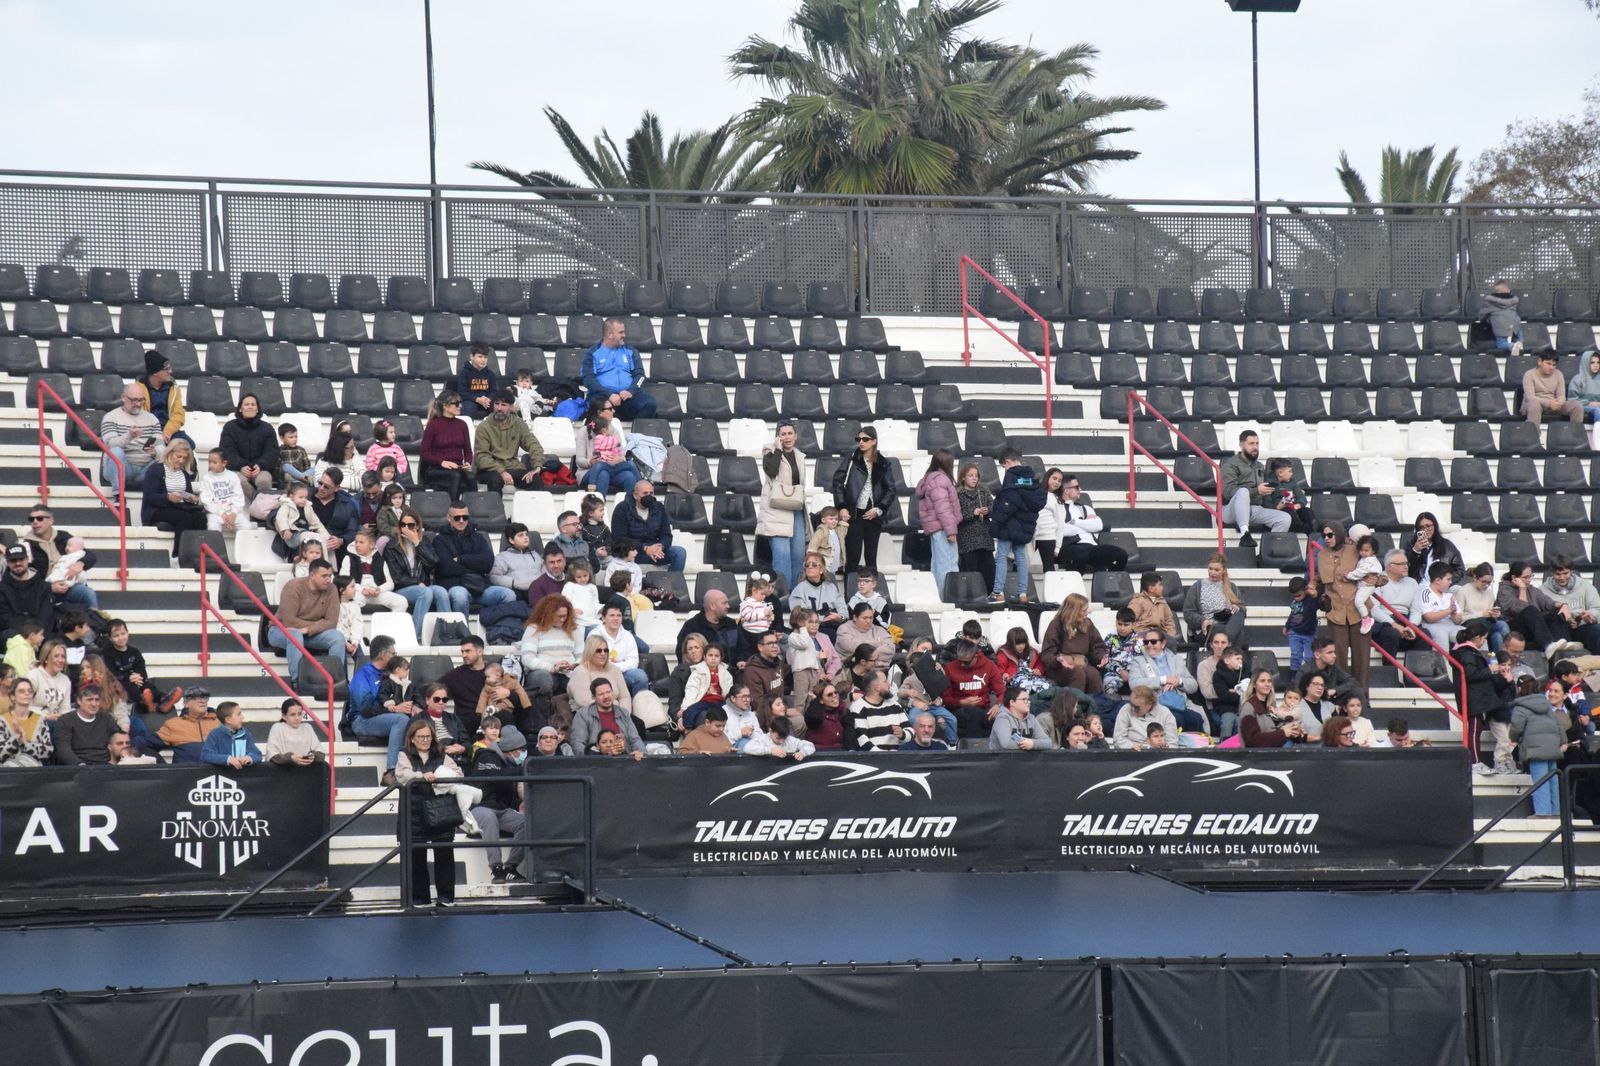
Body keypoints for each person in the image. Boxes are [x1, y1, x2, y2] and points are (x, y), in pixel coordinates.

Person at [396, 717, 459, 907]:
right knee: (416, 857)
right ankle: (420, 897)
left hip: (441, 811)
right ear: (412, 738)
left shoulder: (443, 755)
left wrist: (439, 777)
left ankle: (446, 896)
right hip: (414, 812)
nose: (425, 740)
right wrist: (421, 777)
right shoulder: (404, 754)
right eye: (421, 736)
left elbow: (457, 773)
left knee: (444, 854)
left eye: (428, 736)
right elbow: (402, 775)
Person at [830, 424, 898, 575]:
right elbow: (837, 482)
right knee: (852, 557)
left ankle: (871, 595)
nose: (861, 442)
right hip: (854, 514)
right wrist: (842, 506)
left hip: (873, 515)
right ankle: (850, 596)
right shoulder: (852, 458)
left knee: (871, 558)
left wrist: (879, 509)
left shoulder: (883, 462)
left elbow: (891, 489)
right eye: (858, 439)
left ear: (874, 441)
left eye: (865, 439)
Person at [468, 722, 530, 884]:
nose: (524, 754)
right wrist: (521, 770)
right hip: (480, 807)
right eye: (521, 750)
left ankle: (511, 867)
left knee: (525, 822)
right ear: (511, 751)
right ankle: (496, 868)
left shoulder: (509, 763)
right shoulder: (485, 755)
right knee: (489, 818)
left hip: (501, 809)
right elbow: (496, 778)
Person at [1311, 520, 1370, 689]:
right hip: (1336, 610)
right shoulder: (1321, 555)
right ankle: (1341, 695)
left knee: (1362, 657)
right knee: (1338, 657)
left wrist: (1377, 579)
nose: (1327, 538)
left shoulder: (1355, 550)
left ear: (1338, 534)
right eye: (1324, 535)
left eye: (1330, 534)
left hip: (1359, 609)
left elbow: (1371, 569)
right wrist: (1314, 587)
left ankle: (1362, 697)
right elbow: (1322, 580)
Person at [270, 559, 344, 688]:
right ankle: (298, 681)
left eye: (330, 576)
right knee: (295, 635)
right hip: (280, 630)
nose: (328, 580)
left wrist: (309, 629)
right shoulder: (293, 586)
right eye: (324, 576)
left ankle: (335, 679)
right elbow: (289, 621)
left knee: (337, 637)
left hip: (311, 633)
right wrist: (316, 625)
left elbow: (331, 622)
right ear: (312, 575)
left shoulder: (331, 589)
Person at [755, 421, 811, 590]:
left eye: (790, 433)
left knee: (798, 554)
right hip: (776, 510)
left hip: (796, 508)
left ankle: (794, 594)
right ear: (778, 437)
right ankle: (781, 594)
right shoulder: (770, 451)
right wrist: (778, 449)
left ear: (796, 436)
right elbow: (771, 472)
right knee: (782, 555)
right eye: (783, 434)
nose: (787, 437)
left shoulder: (800, 455)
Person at [986, 447, 1045, 604]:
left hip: (1009, 525)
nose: (1004, 469)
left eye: (1003, 466)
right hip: (1024, 526)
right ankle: (1023, 593)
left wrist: (995, 524)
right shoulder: (1031, 478)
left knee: (1001, 556)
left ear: (1008, 462)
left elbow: (1008, 503)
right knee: (1021, 557)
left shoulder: (1011, 476)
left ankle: (998, 591)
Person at [1500, 560, 1584, 660]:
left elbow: (1546, 601)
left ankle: (1564, 643)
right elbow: (1520, 609)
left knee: (1556, 612)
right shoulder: (1504, 590)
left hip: (1534, 627)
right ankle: (1548, 645)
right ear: (1514, 578)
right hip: (1517, 628)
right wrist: (1522, 589)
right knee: (1530, 609)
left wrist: (1563, 605)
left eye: (1530, 576)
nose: (1529, 580)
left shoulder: (1532, 589)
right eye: (1525, 577)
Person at [1219, 429, 1290, 548]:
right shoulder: (1230, 464)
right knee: (1243, 491)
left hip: (1255, 509)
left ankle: (1269, 551)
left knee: (1284, 518)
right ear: (1241, 445)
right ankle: (1245, 534)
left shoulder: (1259, 466)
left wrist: (1280, 495)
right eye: (1251, 444)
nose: (1255, 447)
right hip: (1232, 510)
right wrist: (1256, 490)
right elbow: (1228, 492)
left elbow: (1263, 492)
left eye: (1257, 443)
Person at [22, 506, 100, 612]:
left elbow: (90, 555)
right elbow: (25, 578)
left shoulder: (63, 537)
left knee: (87, 592)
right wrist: (50, 587)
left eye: (40, 518)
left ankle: (97, 623)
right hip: (44, 593)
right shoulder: (26, 545)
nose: (35, 522)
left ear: (51, 520)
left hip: (69, 586)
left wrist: (80, 563)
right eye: (31, 519)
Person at [1511, 681, 1571, 817]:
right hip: (1552, 747)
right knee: (1552, 780)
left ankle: (1543, 812)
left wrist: (1513, 738)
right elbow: (1558, 725)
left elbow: (1516, 726)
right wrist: (1563, 741)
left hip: (1535, 748)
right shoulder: (1547, 706)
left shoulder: (1520, 707)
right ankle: (1556, 811)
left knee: (1540, 780)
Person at [140, 439, 207, 557]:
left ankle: (198, 555)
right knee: (183, 517)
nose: (181, 461)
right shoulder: (156, 469)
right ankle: (178, 555)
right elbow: (149, 496)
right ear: (169, 453)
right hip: (157, 508)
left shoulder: (184, 473)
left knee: (200, 517)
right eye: (179, 456)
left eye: (185, 458)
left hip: (179, 506)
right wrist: (167, 497)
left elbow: (188, 492)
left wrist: (192, 498)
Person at [582, 316, 656, 420]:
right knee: (598, 406)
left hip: (627, 397)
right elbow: (588, 380)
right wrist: (609, 395)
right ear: (610, 334)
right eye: (621, 332)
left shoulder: (630, 351)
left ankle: (635, 434)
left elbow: (640, 376)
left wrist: (631, 391)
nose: (624, 335)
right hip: (603, 396)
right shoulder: (592, 353)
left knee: (650, 404)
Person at [99, 382, 163, 496]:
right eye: (133, 400)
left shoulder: (152, 419)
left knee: (171, 454)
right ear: (123, 397)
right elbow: (110, 445)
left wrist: (155, 452)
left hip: (146, 469)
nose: (138, 404)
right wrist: (129, 436)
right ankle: (118, 496)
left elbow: (161, 447)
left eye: (141, 400)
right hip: (122, 467)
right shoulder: (110, 417)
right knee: (116, 452)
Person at [1056, 474, 1128, 573]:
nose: (1080, 489)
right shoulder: (1058, 508)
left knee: (1121, 555)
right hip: (1071, 546)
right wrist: (1087, 525)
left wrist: (1075, 522)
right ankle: (1075, 587)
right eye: (1076, 487)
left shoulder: (1086, 508)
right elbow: (1062, 529)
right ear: (1066, 490)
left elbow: (1098, 525)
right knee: (1081, 555)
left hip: (1092, 546)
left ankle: (1109, 581)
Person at [474, 388, 545, 490]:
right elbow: (481, 457)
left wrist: (537, 466)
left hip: (513, 467)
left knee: (535, 480)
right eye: (496, 404)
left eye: (503, 405)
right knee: (495, 479)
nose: (499, 408)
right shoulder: (483, 427)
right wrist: (502, 471)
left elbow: (533, 444)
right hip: (489, 470)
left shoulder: (519, 424)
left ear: (511, 407)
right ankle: (496, 506)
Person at [1039, 593, 1109, 695]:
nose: (1087, 613)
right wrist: (1058, 660)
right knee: (1078, 674)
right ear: (1074, 611)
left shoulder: (1087, 623)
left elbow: (1097, 646)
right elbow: (1047, 654)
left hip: (1082, 662)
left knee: (1093, 674)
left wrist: (1101, 657)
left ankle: (1097, 706)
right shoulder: (1056, 625)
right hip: (1060, 667)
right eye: (1084, 610)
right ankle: (1074, 707)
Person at [914, 448, 962, 594]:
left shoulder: (930, 478)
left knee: (938, 564)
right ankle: (948, 596)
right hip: (943, 528)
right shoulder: (940, 480)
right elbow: (943, 508)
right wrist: (951, 531)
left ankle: (939, 595)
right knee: (947, 564)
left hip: (937, 528)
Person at [611, 480, 685, 572]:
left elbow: (666, 535)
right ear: (635, 495)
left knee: (679, 553)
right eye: (645, 493)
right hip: (632, 552)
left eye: (651, 493)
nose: (649, 496)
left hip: (655, 551)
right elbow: (619, 538)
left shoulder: (659, 507)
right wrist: (645, 549)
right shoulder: (622, 508)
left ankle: (672, 584)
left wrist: (659, 548)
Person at [218, 393, 280, 498]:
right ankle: (258, 506)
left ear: (257, 409)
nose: (250, 406)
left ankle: (259, 509)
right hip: (237, 469)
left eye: (253, 404)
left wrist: (260, 465)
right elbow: (227, 450)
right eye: (246, 404)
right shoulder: (229, 427)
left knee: (264, 481)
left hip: (261, 469)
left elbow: (272, 451)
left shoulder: (267, 428)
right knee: (238, 481)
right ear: (240, 409)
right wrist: (241, 465)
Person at [575, 396, 637, 498]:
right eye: (610, 409)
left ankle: (629, 508)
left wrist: (619, 459)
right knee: (603, 473)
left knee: (629, 477)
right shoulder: (584, 431)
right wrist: (590, 462)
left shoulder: (614, 431)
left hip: (612, 468)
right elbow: (579, 460)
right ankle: (598, 508)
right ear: (600, 412)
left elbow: (621, 455)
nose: (613, 411)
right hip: (589, 471)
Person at [943, 637, 1005, 737]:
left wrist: (998, 705)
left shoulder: (989, 666)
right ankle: (974, 748)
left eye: (966, 662)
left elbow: (1002, 691)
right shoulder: (950, 668)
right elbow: (945, 698)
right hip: (958, 709)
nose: (962, 665)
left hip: (983, 709)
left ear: (976, 656)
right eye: (960, 661)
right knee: (973, 714)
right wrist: (961, 702)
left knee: (983, 716)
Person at [1182, 553, 1247, 648]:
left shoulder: (1232, 587)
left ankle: (1226, 640)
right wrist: (1202, 621)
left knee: (1239, 613)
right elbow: (1188, 612)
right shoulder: (1197, 586)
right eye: (1210, 569)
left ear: (1224, 570)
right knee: (1238, 632)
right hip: (1207, 627)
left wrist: (1236, 607)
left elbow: (1242, 610)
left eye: (1216, 570)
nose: (1212, 572)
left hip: (1227, 623)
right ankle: (1229, 647)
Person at [1540, 556, 1600, 655]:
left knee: (1596, 631)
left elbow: (1597, 608)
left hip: (1581, 626)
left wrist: (1589, 616)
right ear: (1552, 573)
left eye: (1565, 573)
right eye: (1558, 574)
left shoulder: (1586, 586)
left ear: (1571, 571)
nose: (1562, 577)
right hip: (1557, 629)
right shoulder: (1542, 590)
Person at [420, 392, 475, 498]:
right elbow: (424, 453)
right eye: (456, 403)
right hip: (436, 468)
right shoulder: (433, 425)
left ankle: (472, 510)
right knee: (455, 476)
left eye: (460, 403)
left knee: (471, 477)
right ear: (445, 406)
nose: (460, 406)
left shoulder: (462, 425)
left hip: (457, 467)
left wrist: (468, 462)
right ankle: (453, 508)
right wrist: (442, 462)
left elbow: (467, 450)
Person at [571, 677, 645, 754]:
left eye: (608, 692)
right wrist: (597, 758)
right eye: (601, 694)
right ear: (594, 697)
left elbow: (635, 739)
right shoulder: (583, 715)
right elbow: (577, 744)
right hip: (597, 762)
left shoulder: (624, 713)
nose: (606, 696)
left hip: (624, 759)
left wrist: (641, 753)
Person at [137, 349, 190, 452]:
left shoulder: (173, 388)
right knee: (151, 449)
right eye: (166, 369)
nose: (170, 372)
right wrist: (158, 434)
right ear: (155, 372)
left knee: (188, 446)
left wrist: (167, 431)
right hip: (148, 432)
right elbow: (138, 416)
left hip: (170, 431)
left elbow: (178, 414)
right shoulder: (138, 389)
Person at [51, 685, 117, 765]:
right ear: (79, 701)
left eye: (97, 700)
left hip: (105, 765)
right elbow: (62, 748)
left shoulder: (107, 718)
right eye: (89, 700)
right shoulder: (65, 720)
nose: (94, 704)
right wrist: (79, 764)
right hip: (76, 767)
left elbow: (117, 740)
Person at [1239, 673, 1308, 747]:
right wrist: (1283, 733)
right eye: (1262, 681)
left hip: (1274, 753)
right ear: (1254, 685)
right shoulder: (1249, 707)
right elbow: (1252, 739)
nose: (1267, 684)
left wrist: (1295, 732)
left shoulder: (1269, 708)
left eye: (1269, 681)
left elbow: (1277, 728)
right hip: (1258, 756)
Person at [846, 670, 906, 751]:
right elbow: (861, 739)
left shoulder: (895, 705)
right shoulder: (858, 708)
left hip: (898, 757)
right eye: (885, 682)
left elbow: (911, 730)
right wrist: (881, 755)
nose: (889, 685)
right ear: (877, 687)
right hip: (872, 759)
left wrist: (903, 734)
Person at [676, 588, 740, 661]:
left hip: (731, 670)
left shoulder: (731, 624)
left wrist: (741, 661)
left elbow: (743, 648)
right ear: (713, 606)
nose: (728, 606)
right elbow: (682, 653)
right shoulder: (691, 626)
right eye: (724, 603)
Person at [157, 687, 220, 762]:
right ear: (185, 703)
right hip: (185, 773)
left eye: (204, 697)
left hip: (219, 772)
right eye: (196, 698)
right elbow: (144, 744)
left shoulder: (220, 722)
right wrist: (163, 768)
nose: (202, 701)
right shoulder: (173, 724)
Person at [679, 642, 733, 731]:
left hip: (720, 701)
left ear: (721, 658)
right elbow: (691, 690)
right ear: (704, 657)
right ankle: (688, 730)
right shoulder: (698, 672)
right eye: (710, 655)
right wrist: (684, 708)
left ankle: (727, 732)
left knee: (729, 712)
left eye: (716, 656)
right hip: (704, 701)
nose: (713, 658)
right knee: (690, 711)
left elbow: (729, 690)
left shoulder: (726, 674)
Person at [1402, 512, 1464, 586]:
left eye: (1428, 526)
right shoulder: (1410, 545)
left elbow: (1460, 569)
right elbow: (1404, 569)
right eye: (1421, 527)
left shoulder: (1447, 546)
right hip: (1419, 585)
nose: (1425, 529)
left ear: (1435, 526)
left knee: (1459, 590)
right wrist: (1415, 551)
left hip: (1443, 587)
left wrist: (1447, 582)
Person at [1411, 561, 1465, 647]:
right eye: (1448, 579)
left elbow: (1458, 621)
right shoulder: (1425, 594)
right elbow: (1429, 618)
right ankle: (1443, 660)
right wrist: (1449, 610)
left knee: (1474, 635)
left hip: (1450, 625)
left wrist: (1454, 613)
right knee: (1441, 635)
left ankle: (1488, 660)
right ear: (1438, 580)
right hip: (1432, 626)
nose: (1451, 582)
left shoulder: (1449, 596)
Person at [788, 552, 845, 632]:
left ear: (821, 569)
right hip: (811, 629)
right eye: (807, 565)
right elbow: (799, 615)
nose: (810, 567)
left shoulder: (831, 588)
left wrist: (840, 617)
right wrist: (824, 618)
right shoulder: (799, 590)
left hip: (834, 625)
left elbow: (843, 610)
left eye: (814, 565)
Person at [0, 681, 53, 766]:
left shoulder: (40, 719)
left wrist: (25, 743)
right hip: (8, 770)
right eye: (22, 691)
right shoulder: (2, 721)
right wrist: (16, 739)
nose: (27, 693)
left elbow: (48, 751)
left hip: (33, 769)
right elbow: (1, 753)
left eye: (30, 691)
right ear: (13, 696)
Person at [310, 468, 360, 558]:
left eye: (326, 486)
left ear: (337, 488)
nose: (321, 488)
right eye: (320, 483)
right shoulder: (304, 497)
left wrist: (341, 540)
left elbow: (353, 531)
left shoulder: (347, 505)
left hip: (334, 551)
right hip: (306, 545)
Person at [1524, 350, 1583, 424]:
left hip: (1554, 405)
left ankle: (1574, 433)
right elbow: (1530, 397)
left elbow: (1561, 396)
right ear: (1540, 362)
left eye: (1554, 365)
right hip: (1536, 404)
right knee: (1534, 405)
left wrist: (1558, 404)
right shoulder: (1529, 375)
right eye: (1548, 364)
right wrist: (1549, 403)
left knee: (1577, 405)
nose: (1551, 367)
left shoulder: (1558, 374)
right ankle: (1533, 434)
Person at [989, 686, 1055, 751]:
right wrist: (1026, 744)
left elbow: (1048, 743)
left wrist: (1032, 744)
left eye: (1029, 699)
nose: (1028, 702)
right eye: (1024, 699)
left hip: (1025, 760)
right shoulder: (1002, 718)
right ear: (1012, 702)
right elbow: (1006, 743)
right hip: (1000, 760)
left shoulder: (1031, 718)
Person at [1112, 685, 1177, 751]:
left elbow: (1172, 744)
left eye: (1137, 707)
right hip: (1132, 753)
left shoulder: (1165, 713)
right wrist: (1131, 746)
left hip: (1159, 754)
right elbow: (1118, 739)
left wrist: (1162, 747)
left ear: (1149, 704)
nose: (1132, 708)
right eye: (1131, 704)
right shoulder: (1126, 709)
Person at [197, 448, 248, 532]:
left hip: (233, 513)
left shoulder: (232, 476)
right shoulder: (206, 478)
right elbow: (206, 500)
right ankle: (216, 545)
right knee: (213, 528)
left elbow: (238, 496)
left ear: (224, 463)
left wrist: (233, 513)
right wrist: (222, 513)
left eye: (214, 462)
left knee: (247, 527)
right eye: (209, 462)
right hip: (215, 513)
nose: (211, 465)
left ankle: (241, 545)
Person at [201, 701, 263, 769]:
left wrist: (249, 758)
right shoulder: (215, 734)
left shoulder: (246, 734)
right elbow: (206, 756)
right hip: (223, 777)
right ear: (228, 720)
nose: (242, 717)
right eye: (239, 714)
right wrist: (228, 759)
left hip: (243, 777)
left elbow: (257, 754)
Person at [834, 601, 894, 670]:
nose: (868, 621)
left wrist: (868, 655)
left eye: (871, 618)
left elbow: (891, 649)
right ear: (855, 617)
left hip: (880, 671)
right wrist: (877, 644)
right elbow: (854, 648)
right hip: (850, 671)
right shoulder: (844, 629)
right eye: (865, 618)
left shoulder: (879, 630)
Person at [266, 699, 323, 766]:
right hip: (283, 771)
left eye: (299, 714)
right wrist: (290, 758)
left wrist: (313, 756)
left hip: (305, 771)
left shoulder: (307, 728)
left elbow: (321, 753)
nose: (297, 718)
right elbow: (272, 756)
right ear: (284, 716)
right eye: (292, 715)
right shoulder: (277, 728)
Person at [1479, 280, 1523, 356]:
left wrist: (1485, 320)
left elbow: (1482, 314)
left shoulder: (1490, 301)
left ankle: (1512, 346)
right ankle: (1519, 344)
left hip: (1500, 324)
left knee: (1501, 343)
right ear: (1508, 290)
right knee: (1518, 338)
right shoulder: (1514, 300)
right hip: (1515, 322)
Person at [1130, 571, 1178, 638]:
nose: (1162, 588)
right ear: (1151, 589)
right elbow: (1129, 619)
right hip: (1142, 634)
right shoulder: (1138, 601)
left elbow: (1169, 621)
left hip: (1160, 634)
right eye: (1160, 585)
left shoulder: (1163, 603)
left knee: (1171, 643)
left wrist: (1170, 636)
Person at [457, 342, 499, 418]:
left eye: (485, 357)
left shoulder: (490, 374)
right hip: (470, 401)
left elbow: (494, 391)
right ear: (472, 357)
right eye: (480, 357)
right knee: (468, 408)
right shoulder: (464, 373)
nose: (483, 360)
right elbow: (462, 392)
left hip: (486, 401)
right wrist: (477, 399)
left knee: (499, 407)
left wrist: (488, 399)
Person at [1570, 349, 1600, 423]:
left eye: (1598, 362)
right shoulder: (1577, 379)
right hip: (1582, 406)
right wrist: (1588, 403)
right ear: (1585, 362)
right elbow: (1572, 400)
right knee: (1597, 410)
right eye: (1592, 363)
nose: (1596, 365)